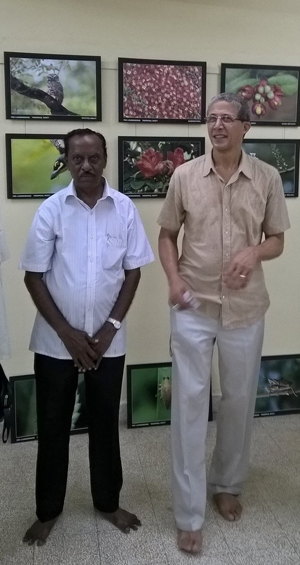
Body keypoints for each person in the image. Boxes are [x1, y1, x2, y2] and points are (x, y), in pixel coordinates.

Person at [157, 93, 290, 554]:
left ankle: (227, 484)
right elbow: (167, 235)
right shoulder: (184, 176)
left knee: (237, 401)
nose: (217, 126)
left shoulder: (267, 178)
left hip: (246, 308)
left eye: (227, 119)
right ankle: (189, 512)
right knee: (190, 406)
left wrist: (254, 252)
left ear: (245, 128)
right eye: (211, 119)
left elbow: (276, 239)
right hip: (193, 307)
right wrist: (173, 280)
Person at [20, 128, 155, 546]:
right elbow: (34, 276)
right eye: (77, 158)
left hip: (107, 342)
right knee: (53, 427)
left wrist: (108, 328)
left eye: (93, 157)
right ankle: (47, 511)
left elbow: (133, 272)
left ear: (105, 158)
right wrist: (68, 335)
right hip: (55, 342)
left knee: (104, 426)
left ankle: (108, 502)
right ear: (68, 160)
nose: (86, 166)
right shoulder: (51, 210)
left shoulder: (125, 208)